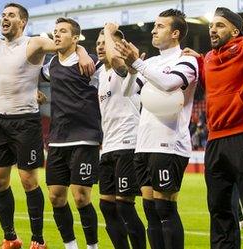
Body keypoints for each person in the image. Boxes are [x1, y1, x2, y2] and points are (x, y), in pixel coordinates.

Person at [0, 3, 94, 249]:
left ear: (23, 21)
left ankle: (38, 240)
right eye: (3, 15)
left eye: (11, 15)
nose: (4, 19)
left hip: (26, 121)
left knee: (29, 181)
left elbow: (66, 44)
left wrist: (82, 51)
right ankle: (10, 238)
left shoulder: (35, 43)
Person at [116, 8, 198, 249]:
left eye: (160, 26)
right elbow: (128, 91)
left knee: (165, 208)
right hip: (144, 143)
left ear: (175, 33)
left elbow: (169, 83)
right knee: (150, 210)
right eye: (154, 25)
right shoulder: (150, 62)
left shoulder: (186, 59)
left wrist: (137, 63)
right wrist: (132, 69)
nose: (153, 29)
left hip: (170, 143)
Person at [182, 7, 243, 248]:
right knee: (219, 211)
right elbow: (210, 78)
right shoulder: (209, 58)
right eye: (211, 25)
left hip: (242, 134)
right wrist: (197, 58)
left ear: (235, 30)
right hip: (215, 140)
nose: (212, 29)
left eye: (220, 25)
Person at [38, 17, 101, 249]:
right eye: (55, 31)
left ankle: (92, 246)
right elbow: (27, 72)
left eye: (62, 31)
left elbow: (115, 69)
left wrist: (84, 52)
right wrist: (32, 92)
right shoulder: (51, 65)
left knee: (81, 197)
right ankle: (70, 246)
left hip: (85, 137)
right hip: (57, 139)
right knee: (55, 196)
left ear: (75, 38)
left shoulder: (89, 62)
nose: (56, 35)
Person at [96, 23, 146, 249]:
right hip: (108, 146)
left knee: (125, 205)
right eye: (97, 43)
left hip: (128, 144)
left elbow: (117, 60)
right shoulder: (101, 73)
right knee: (107, 206)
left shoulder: (123, 67)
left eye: (104, 43)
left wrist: (108, 32)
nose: (100, 47)